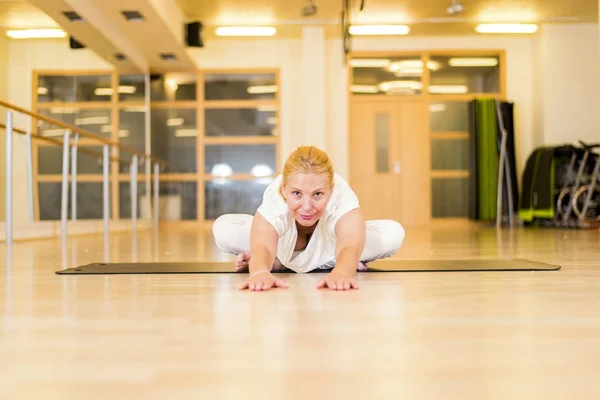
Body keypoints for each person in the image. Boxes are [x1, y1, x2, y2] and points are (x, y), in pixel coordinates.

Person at [212, 146, 405, 291]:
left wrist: (342, 272)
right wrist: (260, 272)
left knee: (393, 234)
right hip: (282, 244)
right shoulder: (275, 195)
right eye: (296, 193)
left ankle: (284, 262)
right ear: (283, 190)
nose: (307, 206)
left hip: (330, 245)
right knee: (223, 228)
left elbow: (349, 245)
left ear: (331, 191)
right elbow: (262, 245)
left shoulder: (341, 194)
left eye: (318, 194)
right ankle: (283, 260)